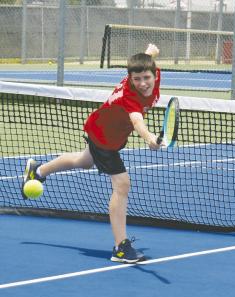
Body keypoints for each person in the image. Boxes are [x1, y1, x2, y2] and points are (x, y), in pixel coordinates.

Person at [21, 44, 163, 264]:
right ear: (130, 79)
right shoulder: (131, 97)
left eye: (146, 77)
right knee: (122, 184)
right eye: (137, 79)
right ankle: (121, 248)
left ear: (154, 72)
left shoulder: (153, 72)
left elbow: (148, 59)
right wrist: (150, 138)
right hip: (104, 137)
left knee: (84, 160)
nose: (143, 83)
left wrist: (149, 51)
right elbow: (137, 121)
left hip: (106, 128)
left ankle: (37, 170)